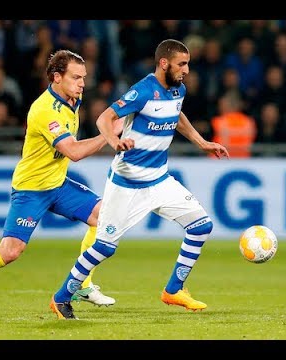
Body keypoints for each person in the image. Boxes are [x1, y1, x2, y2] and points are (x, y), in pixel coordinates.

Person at [49, 39, 230, 320]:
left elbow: (177, 114)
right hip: (127, 183)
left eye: (188, 64)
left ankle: (173, 290)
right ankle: (61, 298)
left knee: (201, 226)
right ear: (164, 63)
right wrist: (113, 140)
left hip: (159, 180)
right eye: (182, 64)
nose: (187, 70)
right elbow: (103, 118)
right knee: (104, 248)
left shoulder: (177, 90)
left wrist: (201, 142)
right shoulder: (143, 90)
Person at [0, 49, 121, 318]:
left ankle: (82, 284)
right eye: (76, 77)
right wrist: (109, 134)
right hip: (31, 189)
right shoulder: (45, 110)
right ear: (57, 77)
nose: (82, 83)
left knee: (103, 215)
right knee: (10, 251)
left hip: (57, 184)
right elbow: (75, 152)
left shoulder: (74, 98)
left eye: (84, 77)